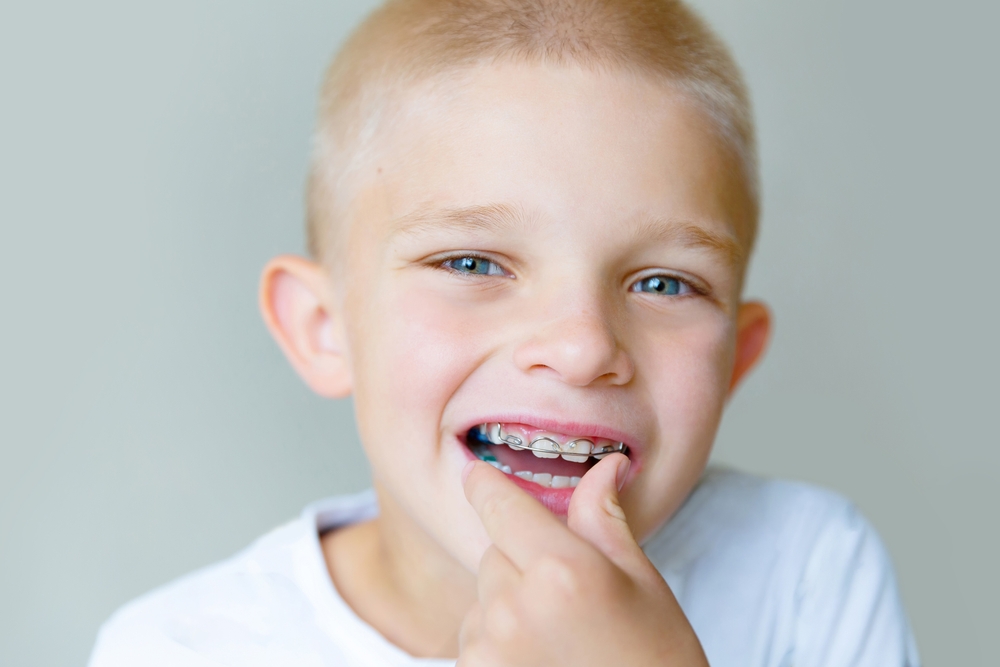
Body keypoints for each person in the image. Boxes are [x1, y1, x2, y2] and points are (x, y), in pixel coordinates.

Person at [88, 1, 920, 665]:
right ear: (323, 329)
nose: (584, 343)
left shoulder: (808, 573)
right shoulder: (180, 648)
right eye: (474, 263)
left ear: (734, 361)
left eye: (664, 283)